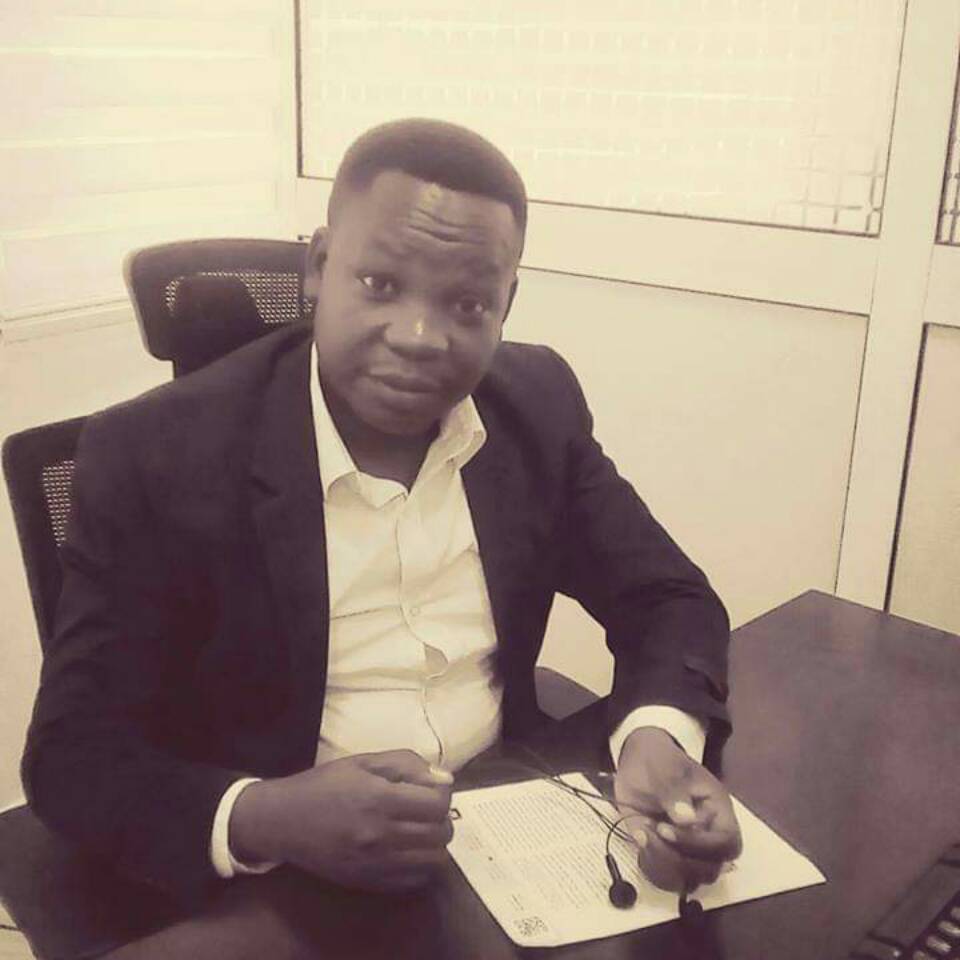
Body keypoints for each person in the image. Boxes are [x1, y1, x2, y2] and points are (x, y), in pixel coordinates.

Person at [22, 118, 741, 908]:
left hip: (506, 840)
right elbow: (72, 757)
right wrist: (268, 817)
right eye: (380, 285)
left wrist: (656, 737)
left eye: (468, 303)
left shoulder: (534, 406)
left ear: (507, 304)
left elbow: (667, 597)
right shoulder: (155, 454)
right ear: (319, 266)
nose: (421, 337)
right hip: (275, 886)